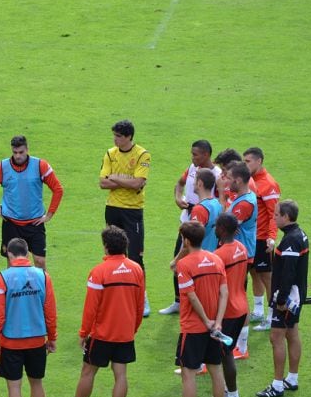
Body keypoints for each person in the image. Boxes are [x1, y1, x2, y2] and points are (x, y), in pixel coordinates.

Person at [54, 226, 144, 397]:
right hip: (125, 333)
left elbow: (91, 307)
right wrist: (133, 328)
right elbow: (140, 305)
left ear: (106, 247)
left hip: (102, 334)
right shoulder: (136, 269)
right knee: (121, 374)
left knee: (88, 372)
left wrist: (84, 333)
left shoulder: (99, 272)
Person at [0, 238, 57, 397]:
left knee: (14, 388)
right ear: (27, 254)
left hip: (11, 344)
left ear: (9, 254)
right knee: (36, 383)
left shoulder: (2, 278)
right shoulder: (43, 276)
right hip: (37, 342)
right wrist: (52, 338)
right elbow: (50, 312)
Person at [165, 222, 228, 397]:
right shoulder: (217, 259)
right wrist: (217, 322)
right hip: (214, 327)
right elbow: (224, 292)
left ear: (186, 240)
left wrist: (206, 321)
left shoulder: (186, 265)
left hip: (193, 328)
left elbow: (191, 296)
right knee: (216, 371)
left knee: (188, 375)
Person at [0, 135, 64, 270]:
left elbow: (58, 189)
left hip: (35, 224)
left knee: (40, 261)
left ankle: (42, 290)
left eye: (21, 152)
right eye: (15, 152)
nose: (18, 156)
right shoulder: (2, 167)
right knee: (13, 265)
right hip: (11, 224)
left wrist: (49, 215)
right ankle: (12, 291)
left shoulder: (40, 166)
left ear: (27, 149)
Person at [160, 141, 221, 315]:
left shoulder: (217, 176)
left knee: (189, 261)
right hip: (188, 219)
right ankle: (179, 301)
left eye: (195, 154)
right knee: (181, 258)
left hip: (202, 221)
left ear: (206, 155)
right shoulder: (192, 168)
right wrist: (178, 198)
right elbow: (179, 184)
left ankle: (195, 304)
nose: (192, 157)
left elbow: (222, 200)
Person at [99, 120, 152, 317]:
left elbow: (138, 183)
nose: (115, 139)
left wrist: (115, 179)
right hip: (112, 208)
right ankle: (114, 293)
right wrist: (126, 182)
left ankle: (142, 298)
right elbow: (103, 183)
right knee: (113, 254)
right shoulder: (110, 153)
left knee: (136, 256)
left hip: (132, 211)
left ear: (129, 137)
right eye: (114, 135)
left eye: (119, 136)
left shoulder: (142, 154)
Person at [256, 200, 308, 397]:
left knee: (276, 337)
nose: (274, 217)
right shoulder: (298, 235)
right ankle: (292, 379)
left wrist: (281, 300)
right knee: (292, 334)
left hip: (287, 298)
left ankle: (277, 385)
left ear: (286, 217)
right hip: (296, 296)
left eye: (277, 214)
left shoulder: (290, 241)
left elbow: (287, 272)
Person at [214, 213, 250, 397]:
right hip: (241, 307)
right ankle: (230, 395)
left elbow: (216, 288)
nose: (214, 229)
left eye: (216, 226)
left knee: (225, 355)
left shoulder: (219, 256)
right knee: (225, 353)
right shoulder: (241, 248)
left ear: (222, 229)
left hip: (227, 312)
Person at [243, 147, 281, 331]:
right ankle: (258, 310)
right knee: (254, 273)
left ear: (259, 161)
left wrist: (272, 238)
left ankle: (272, 316)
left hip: (263, 239)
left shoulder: (268, 184)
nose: (245, 164)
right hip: (251, 238)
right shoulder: (251, 181)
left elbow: (274, 214)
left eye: (248, 161)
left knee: (267, 277)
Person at [225, 162, 258, 359]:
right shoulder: (242, 198)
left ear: (237, 180)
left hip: (240, 257)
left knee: (237, 297)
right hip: (240, 254)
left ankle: (242, 347)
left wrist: (225, 221)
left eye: (229, 178)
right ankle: (239, 344)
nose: (226, 181)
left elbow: (225, 226)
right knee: (236, 295)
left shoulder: (244, 203)